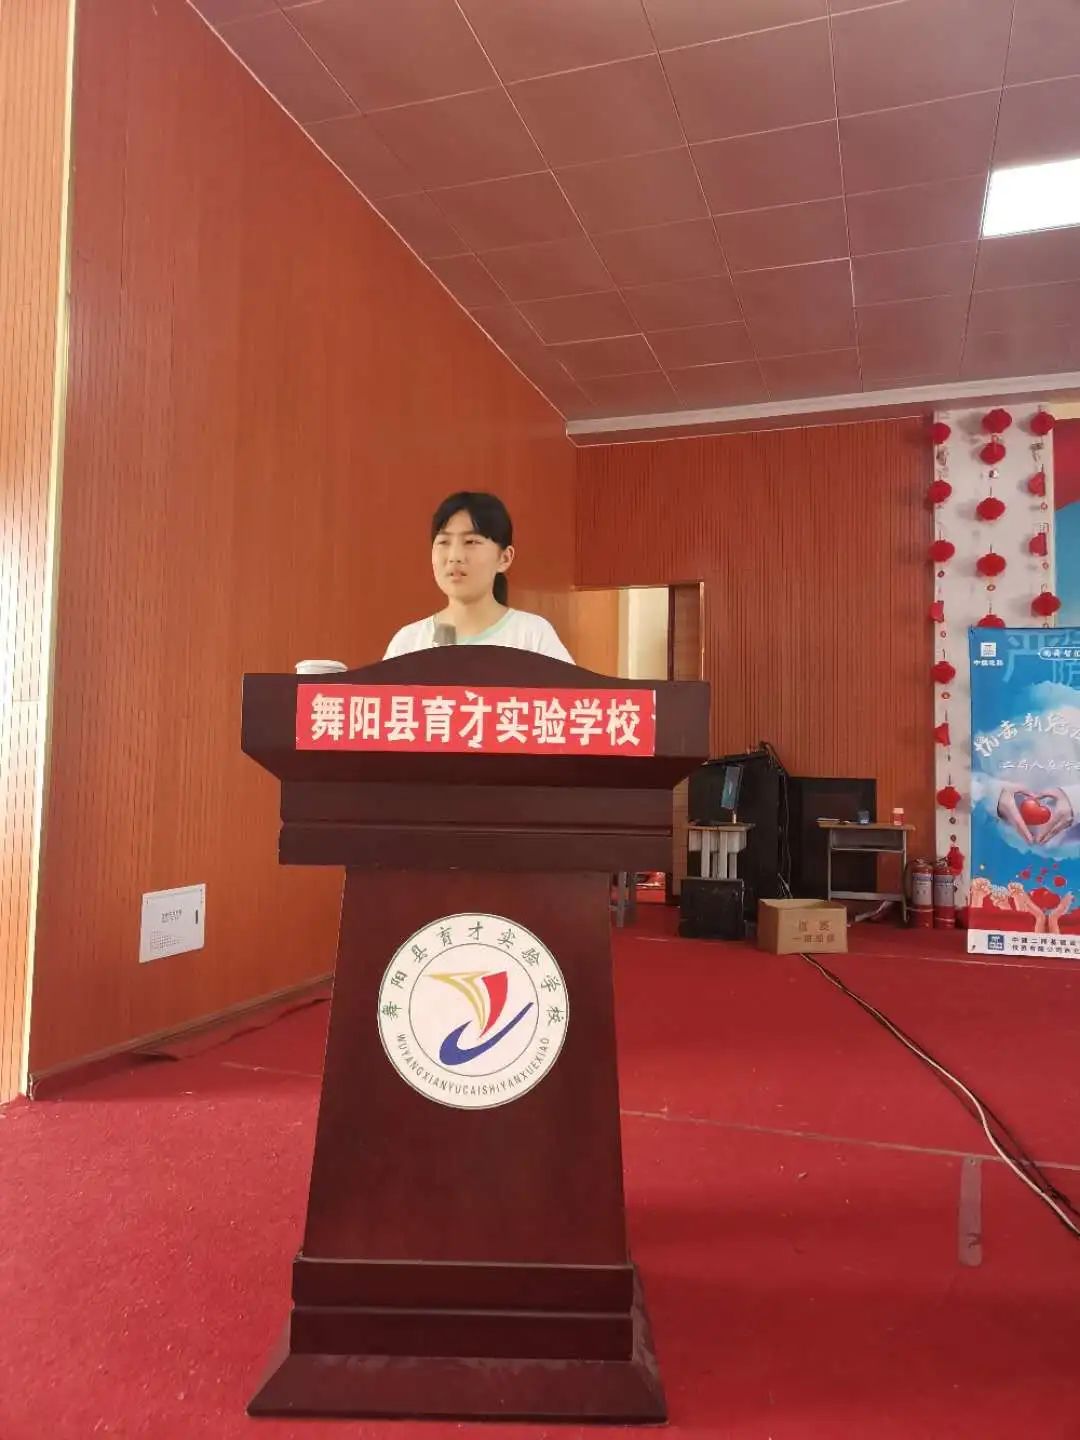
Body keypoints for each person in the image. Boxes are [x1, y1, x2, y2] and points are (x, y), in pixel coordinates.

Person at [383, 491, 573, 662]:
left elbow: (570, 690)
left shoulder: (532, 635)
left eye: (471, 542)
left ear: (504, 558)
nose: (455, 556)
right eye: (444, 542)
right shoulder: (409, 643)